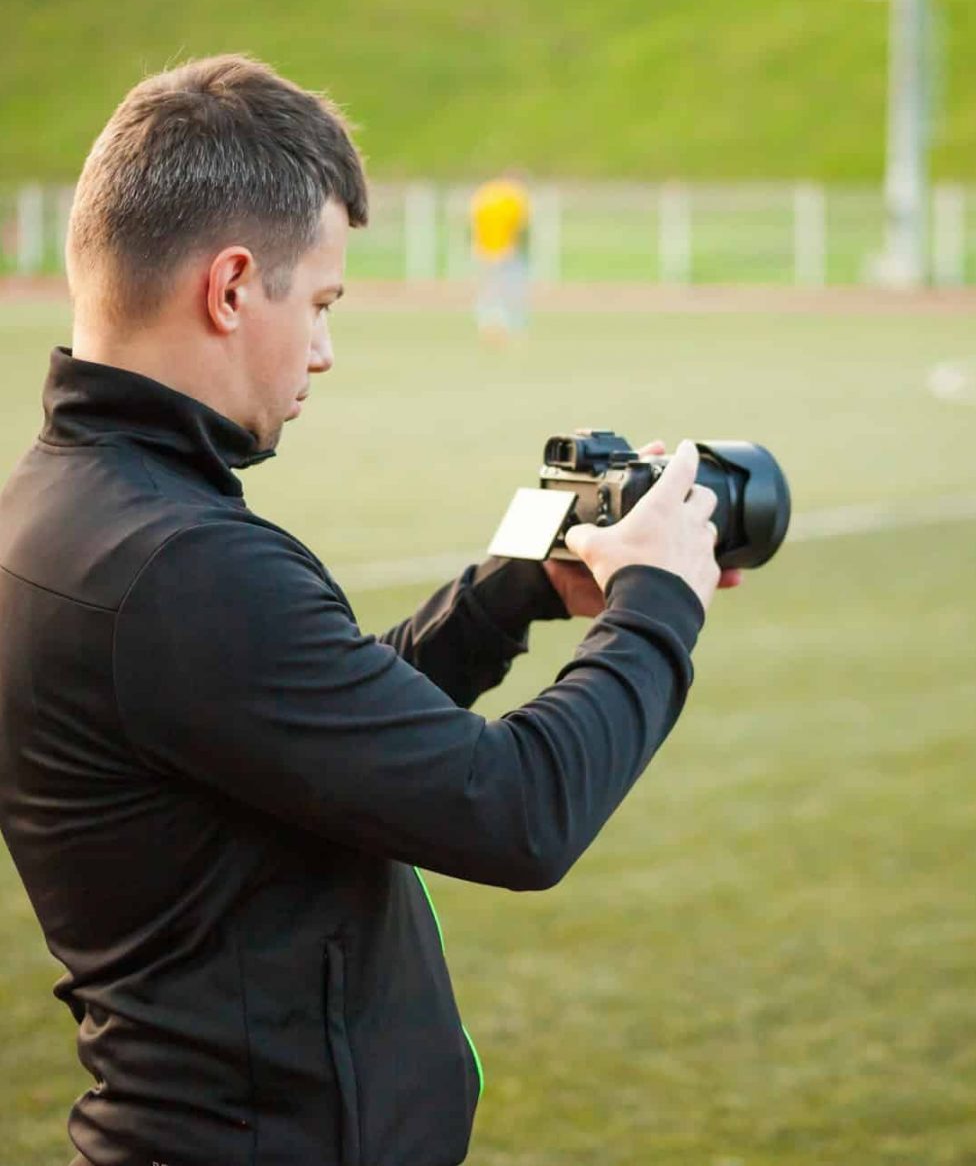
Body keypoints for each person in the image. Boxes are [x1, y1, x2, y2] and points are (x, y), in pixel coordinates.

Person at [0, 56, 739, 1166]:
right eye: (321, 305)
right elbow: (514, 809)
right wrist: (659, 605)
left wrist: (512, 590)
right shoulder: (180, 566)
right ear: (232, 287)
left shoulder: (67, 509)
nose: (325, 352)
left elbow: (310, 729)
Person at [469, 170, 531, 342]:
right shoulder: (514, 198)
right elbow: (519, 227)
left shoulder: (485, 192)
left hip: (482, 249)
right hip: (506, 250)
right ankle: (509, 326)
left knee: (488, 289)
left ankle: (487, 324)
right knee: (510, 289)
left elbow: (473, 220)